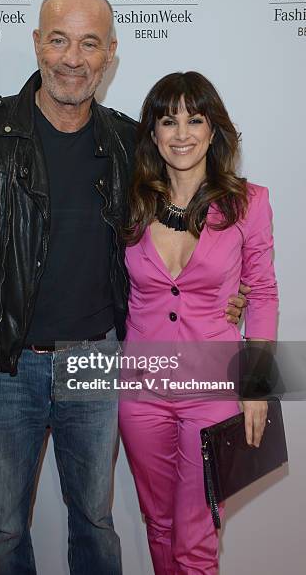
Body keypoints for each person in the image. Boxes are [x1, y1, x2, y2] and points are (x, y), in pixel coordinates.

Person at [0, 0, 246, 575]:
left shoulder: (128, 142)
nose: (72, 58)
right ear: (36, 44)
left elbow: (187, 221)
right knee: (3, 527)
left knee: (95, 520)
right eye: (58, 40)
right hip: (4, 364)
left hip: (97, 359)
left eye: (89, 44)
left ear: (109, 56)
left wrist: (234, 289)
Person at [118, 71, 278, 575]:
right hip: (140, 390)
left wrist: (255, 386)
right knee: (158, 525)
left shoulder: (248, 203)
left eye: (195, 119)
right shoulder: (132, 202)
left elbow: (264, 292)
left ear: (214, 131)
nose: (182, 132)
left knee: (198, 535)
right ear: (153, 133)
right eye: (169, 120)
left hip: (213, 388)